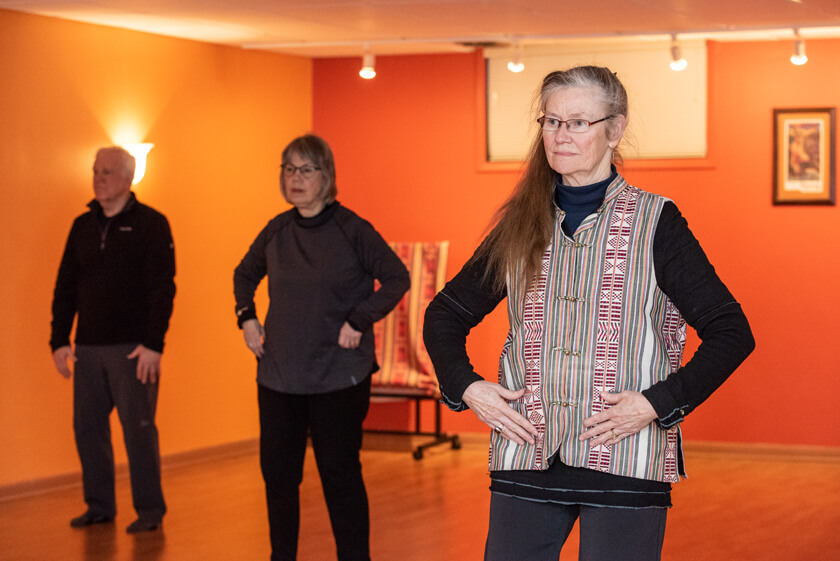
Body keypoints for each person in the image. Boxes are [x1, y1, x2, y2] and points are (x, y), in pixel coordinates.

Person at [423, 66, 755, 561]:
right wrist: (469, 388)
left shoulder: (656, 222)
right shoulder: (520, 223)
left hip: (625, 456)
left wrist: (657, 403)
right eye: (551, 121)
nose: (560, 135)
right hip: (528, 452)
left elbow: (732, 332)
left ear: (614, 129)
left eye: (578, 122)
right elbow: (444, 315)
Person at [233, 134, 410, 561]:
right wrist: (247, 317)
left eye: (306, 169)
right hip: (279, 376)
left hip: (338, 377)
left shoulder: (352, 229)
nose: (296, 178)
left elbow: (397, 278)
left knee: (339, 476)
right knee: (278, 477)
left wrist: (358, 319)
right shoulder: (276, 230)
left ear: (326, 176)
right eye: (289, 169)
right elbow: (243, 274)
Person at [50, 146, 176, 534]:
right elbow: (65, 286)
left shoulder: (151, 224)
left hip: (133, 350)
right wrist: (59, 339)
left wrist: (154, 345)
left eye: (107, 172)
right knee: (88, 429)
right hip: (87, 347)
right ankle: (99, 505)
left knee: (138, 429)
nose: (98, 178)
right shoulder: (81, 226)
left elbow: (162, 289)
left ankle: (150, 510)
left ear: (128, 177)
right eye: (95, 171)